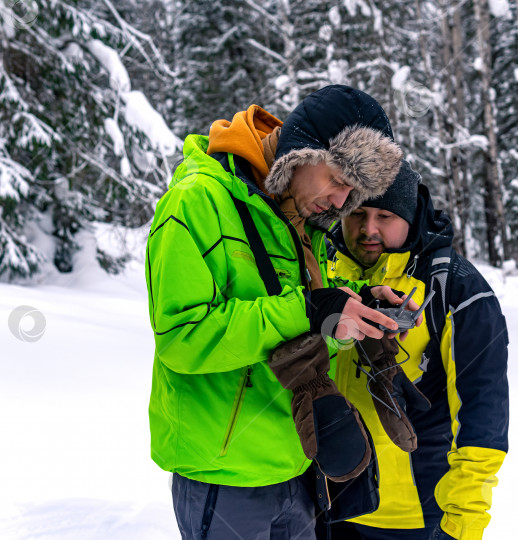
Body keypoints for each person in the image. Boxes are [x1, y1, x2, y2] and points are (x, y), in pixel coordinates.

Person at [145, 85, 414, 540]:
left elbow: (296, 315)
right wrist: (310, 311)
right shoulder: (196, 202)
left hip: (297, 464)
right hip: (226, 474)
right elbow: (183, 338)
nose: (340, 200)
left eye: (353, 190)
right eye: (339, 179)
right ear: (302, 151)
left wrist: (356, 306)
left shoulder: (294, 215)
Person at [326, 160, 510, 540]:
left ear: (411, 217)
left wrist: (462, 521)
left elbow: (483, 415)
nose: (368, 229)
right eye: (357, 212)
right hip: (325, 506)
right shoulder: (318, 271)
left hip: (417, 518)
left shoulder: (454, 289)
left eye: (385, 215)